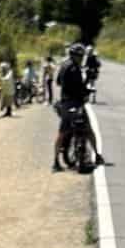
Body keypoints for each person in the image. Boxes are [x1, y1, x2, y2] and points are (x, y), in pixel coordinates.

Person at [53, 43, 104, 171]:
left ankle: (55, 161)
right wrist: (86, 92)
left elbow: (58, 82)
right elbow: (79, 88)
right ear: (76, 56)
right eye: (80, 56)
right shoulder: (75, 69)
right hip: (76, 102)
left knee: (62, 132)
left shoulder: (64, 65)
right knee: (88, 129)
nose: (81, 58)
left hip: (65, 103)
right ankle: (97, 155)